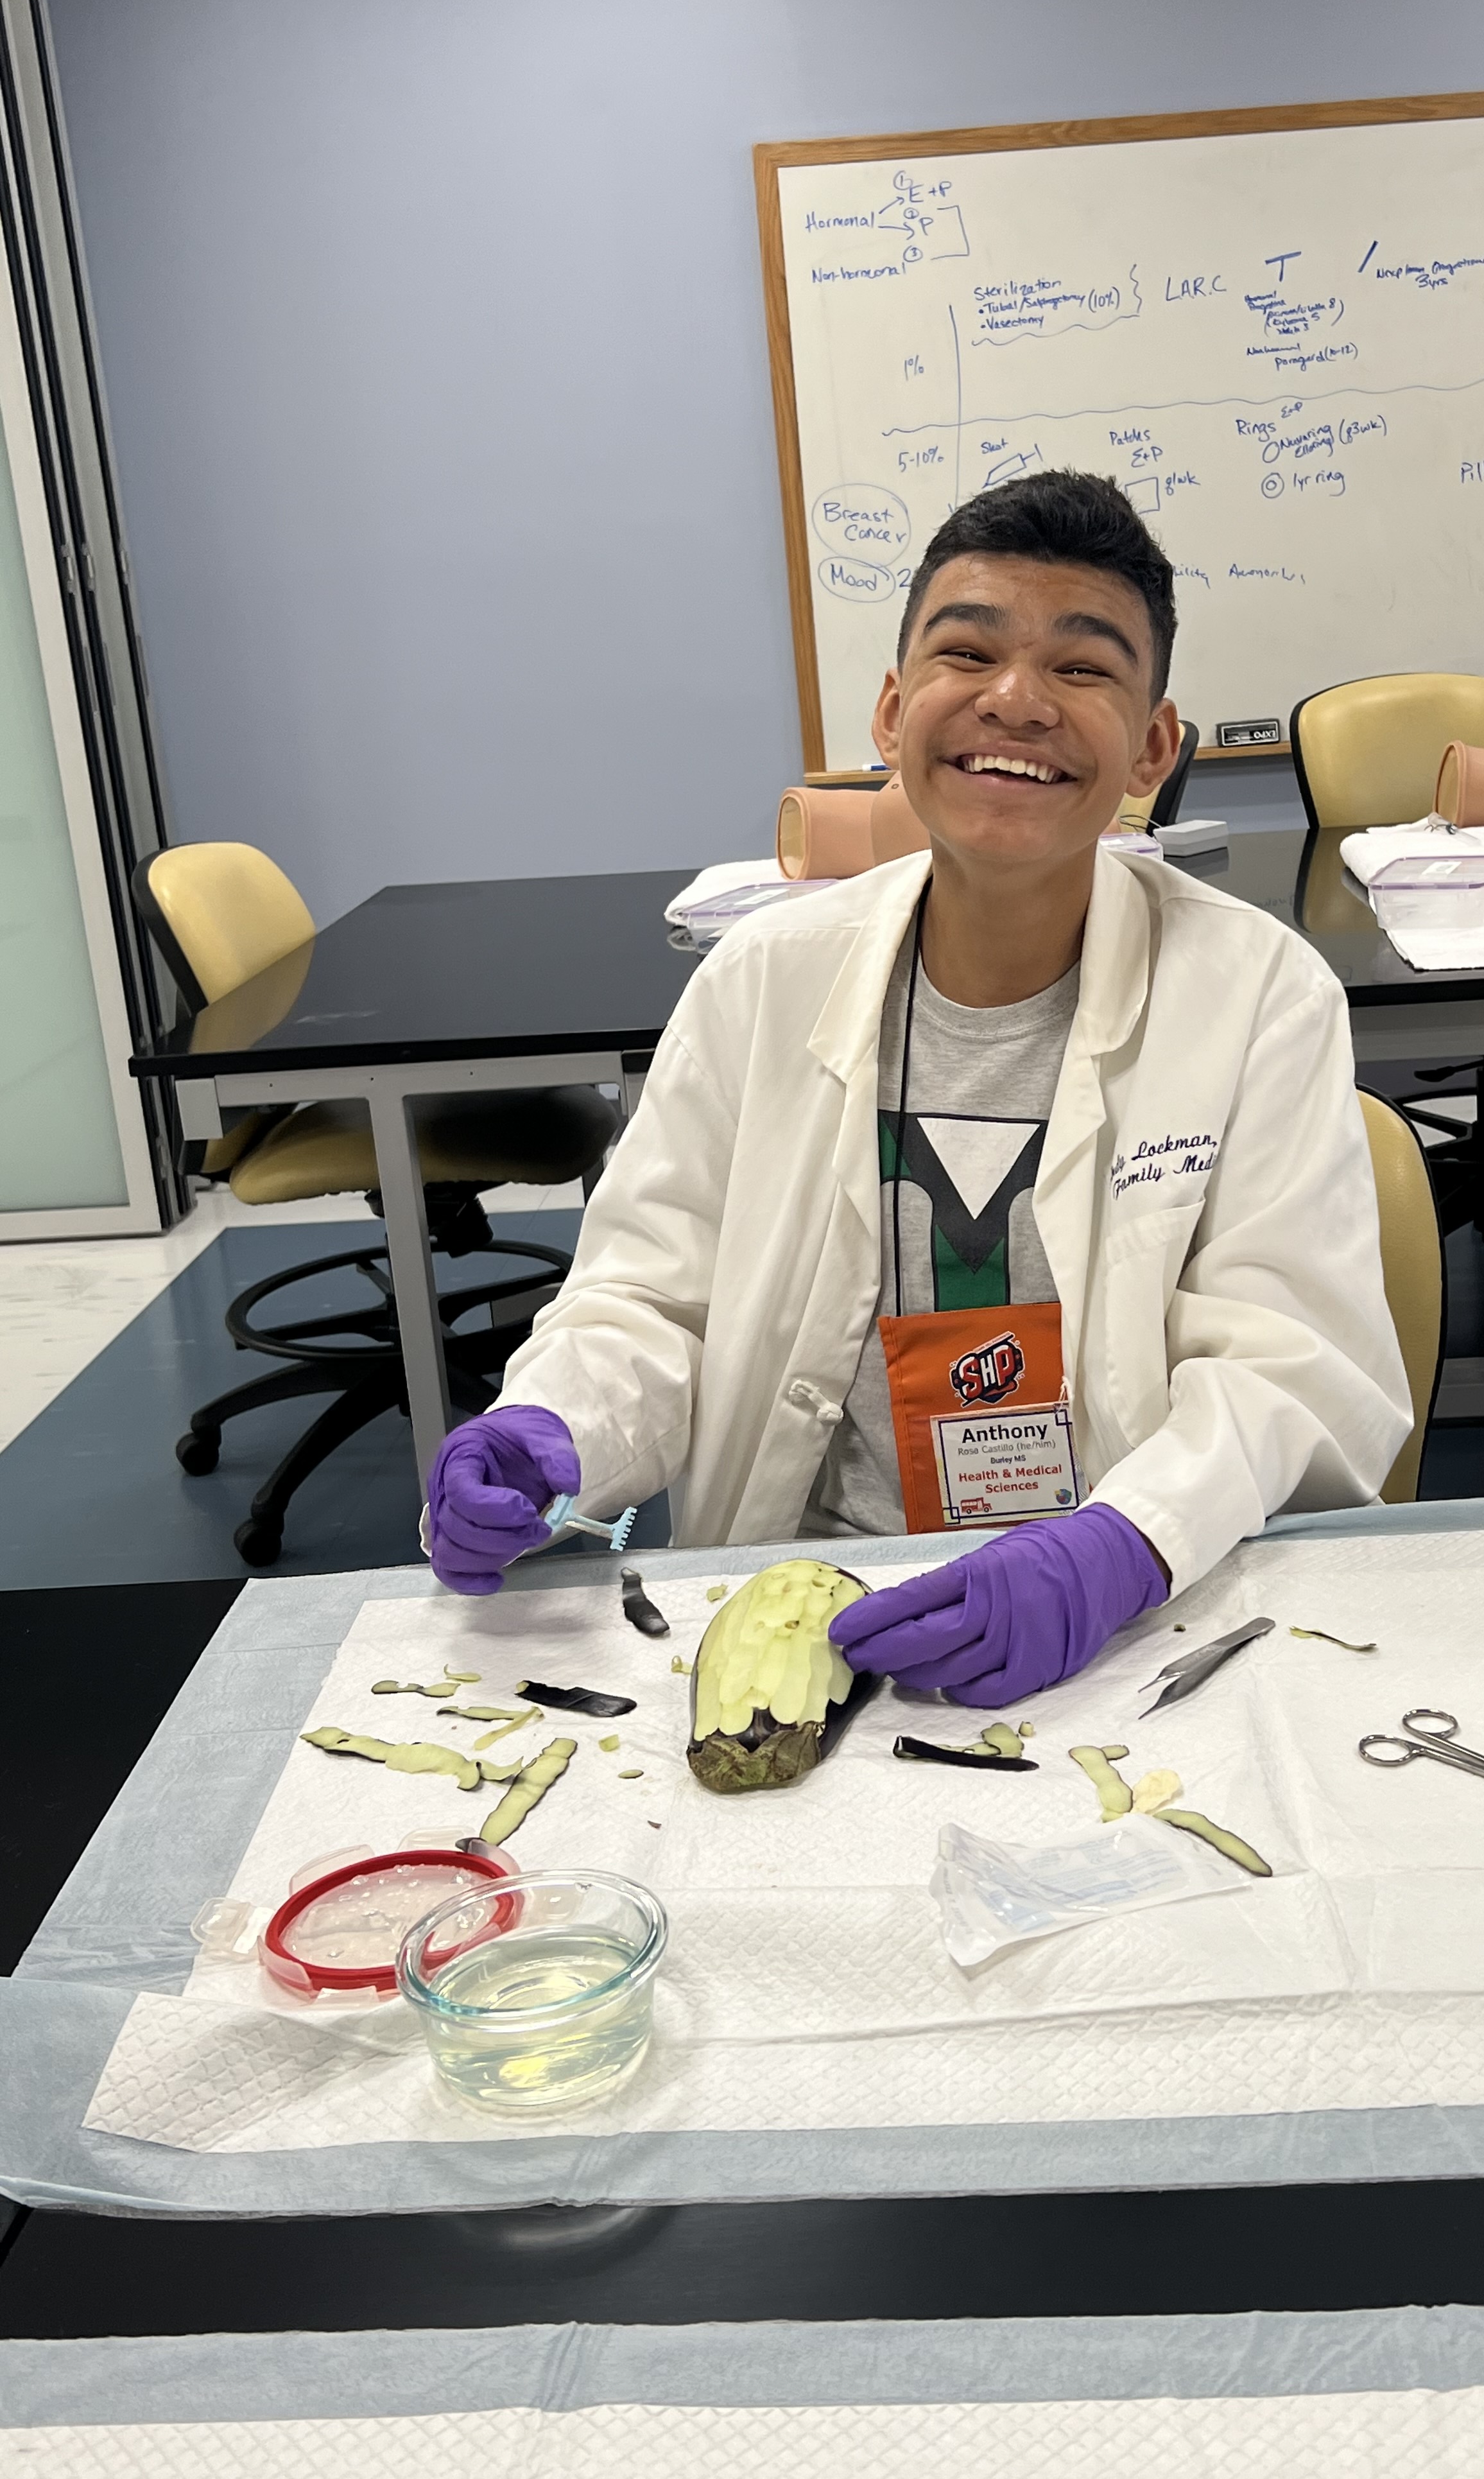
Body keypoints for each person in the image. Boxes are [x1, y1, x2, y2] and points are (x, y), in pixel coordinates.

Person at [427, 470, 1411, 1704]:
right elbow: (654, 1301)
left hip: (1134, 1618)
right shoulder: (765, 982)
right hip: (805, 1607)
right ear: (894, 714)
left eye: (1084, 667)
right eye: (969, 651)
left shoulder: (1258, 993)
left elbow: (1289, 1360)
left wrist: (1124, 1546)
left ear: (1154, 745)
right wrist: (559, 1426)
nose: (1017, 701)